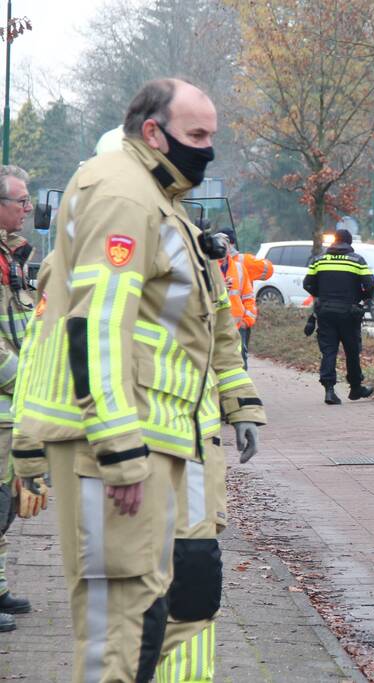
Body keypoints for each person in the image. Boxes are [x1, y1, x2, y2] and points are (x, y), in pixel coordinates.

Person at [10, 78, 266, 683]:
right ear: (153, 132)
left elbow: (209, 324)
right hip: (127, 440)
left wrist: (239, 400)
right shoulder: (123, 195)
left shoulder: (165, 205)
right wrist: (113, 446)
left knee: (179, 597)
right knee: (122, 623)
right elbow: (92, 328)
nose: (207, 150)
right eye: (196, 135)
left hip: (174, 438)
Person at [0, 165, 36, 632]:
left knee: (5, 505)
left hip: (11, 409)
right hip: (9, 396)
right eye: (20, 201)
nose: (28, 208)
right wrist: (26, 380)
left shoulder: (14, 257)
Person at [302, 228, 374, 405]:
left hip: (325, 313)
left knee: (329, 351)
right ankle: (355, 388)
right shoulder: (357, 261)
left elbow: (307, 284)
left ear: (334, 241)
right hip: (349, 314)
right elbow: (370, 285)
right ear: (349, 242)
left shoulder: (319, 260)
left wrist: (321, 295)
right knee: (352, 351)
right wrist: (361, 298)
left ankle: (329, 390)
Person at [216, 226, 257, 368]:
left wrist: (247, 320)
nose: (221, 250)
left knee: (239, 364)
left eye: (224, 246)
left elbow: (248, 297)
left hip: (238, 327)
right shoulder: (207, 269)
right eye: (218, 246)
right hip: (215, 327)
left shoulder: (239, 268)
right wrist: (220, 287)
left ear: (229, 247)